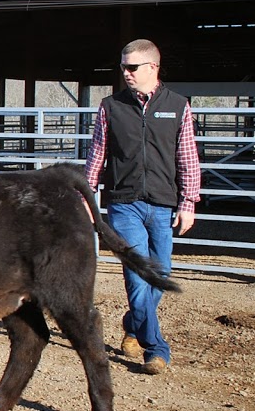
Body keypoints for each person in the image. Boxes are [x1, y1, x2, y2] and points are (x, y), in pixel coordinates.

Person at [84, 39, 200, 375]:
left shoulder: (178, 106)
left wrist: (188, 201)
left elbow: (187, 156)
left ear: (152, 68)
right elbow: (97, 156)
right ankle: (157, 348)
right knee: (137, 276)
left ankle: (133, 323)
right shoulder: (111, 106)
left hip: (163, 204)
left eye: (132, 67)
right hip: (124, 203)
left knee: (160, 274)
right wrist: (86, 198)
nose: (126, 73)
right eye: (123, 67)